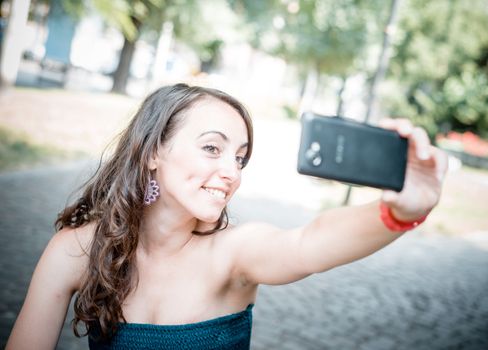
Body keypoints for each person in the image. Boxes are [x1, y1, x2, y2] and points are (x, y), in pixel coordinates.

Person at [6, 83, 448, 350]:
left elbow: (308, 244)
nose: (231, 172)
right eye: (212, 148)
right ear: (154, 151)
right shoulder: (76, 249)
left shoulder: (232, 253)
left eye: (240, 157)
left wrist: (399, 212)